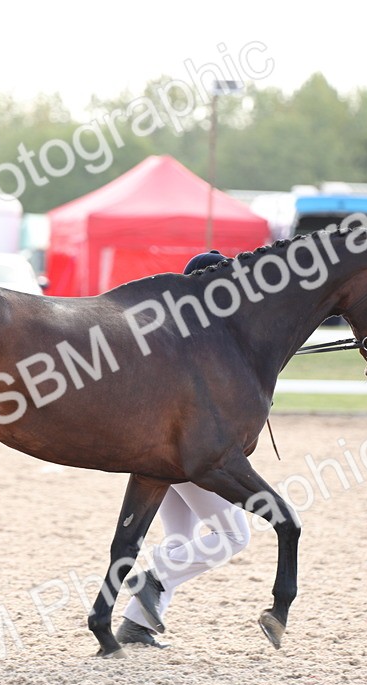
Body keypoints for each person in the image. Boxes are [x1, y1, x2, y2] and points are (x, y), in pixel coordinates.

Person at [115, 250, 254, 648]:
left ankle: (136, 624)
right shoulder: (208, 341)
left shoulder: (174, 330)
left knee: (180, 539)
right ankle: (154, 576)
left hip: (160, 455)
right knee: (234, 535)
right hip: (190, 457)